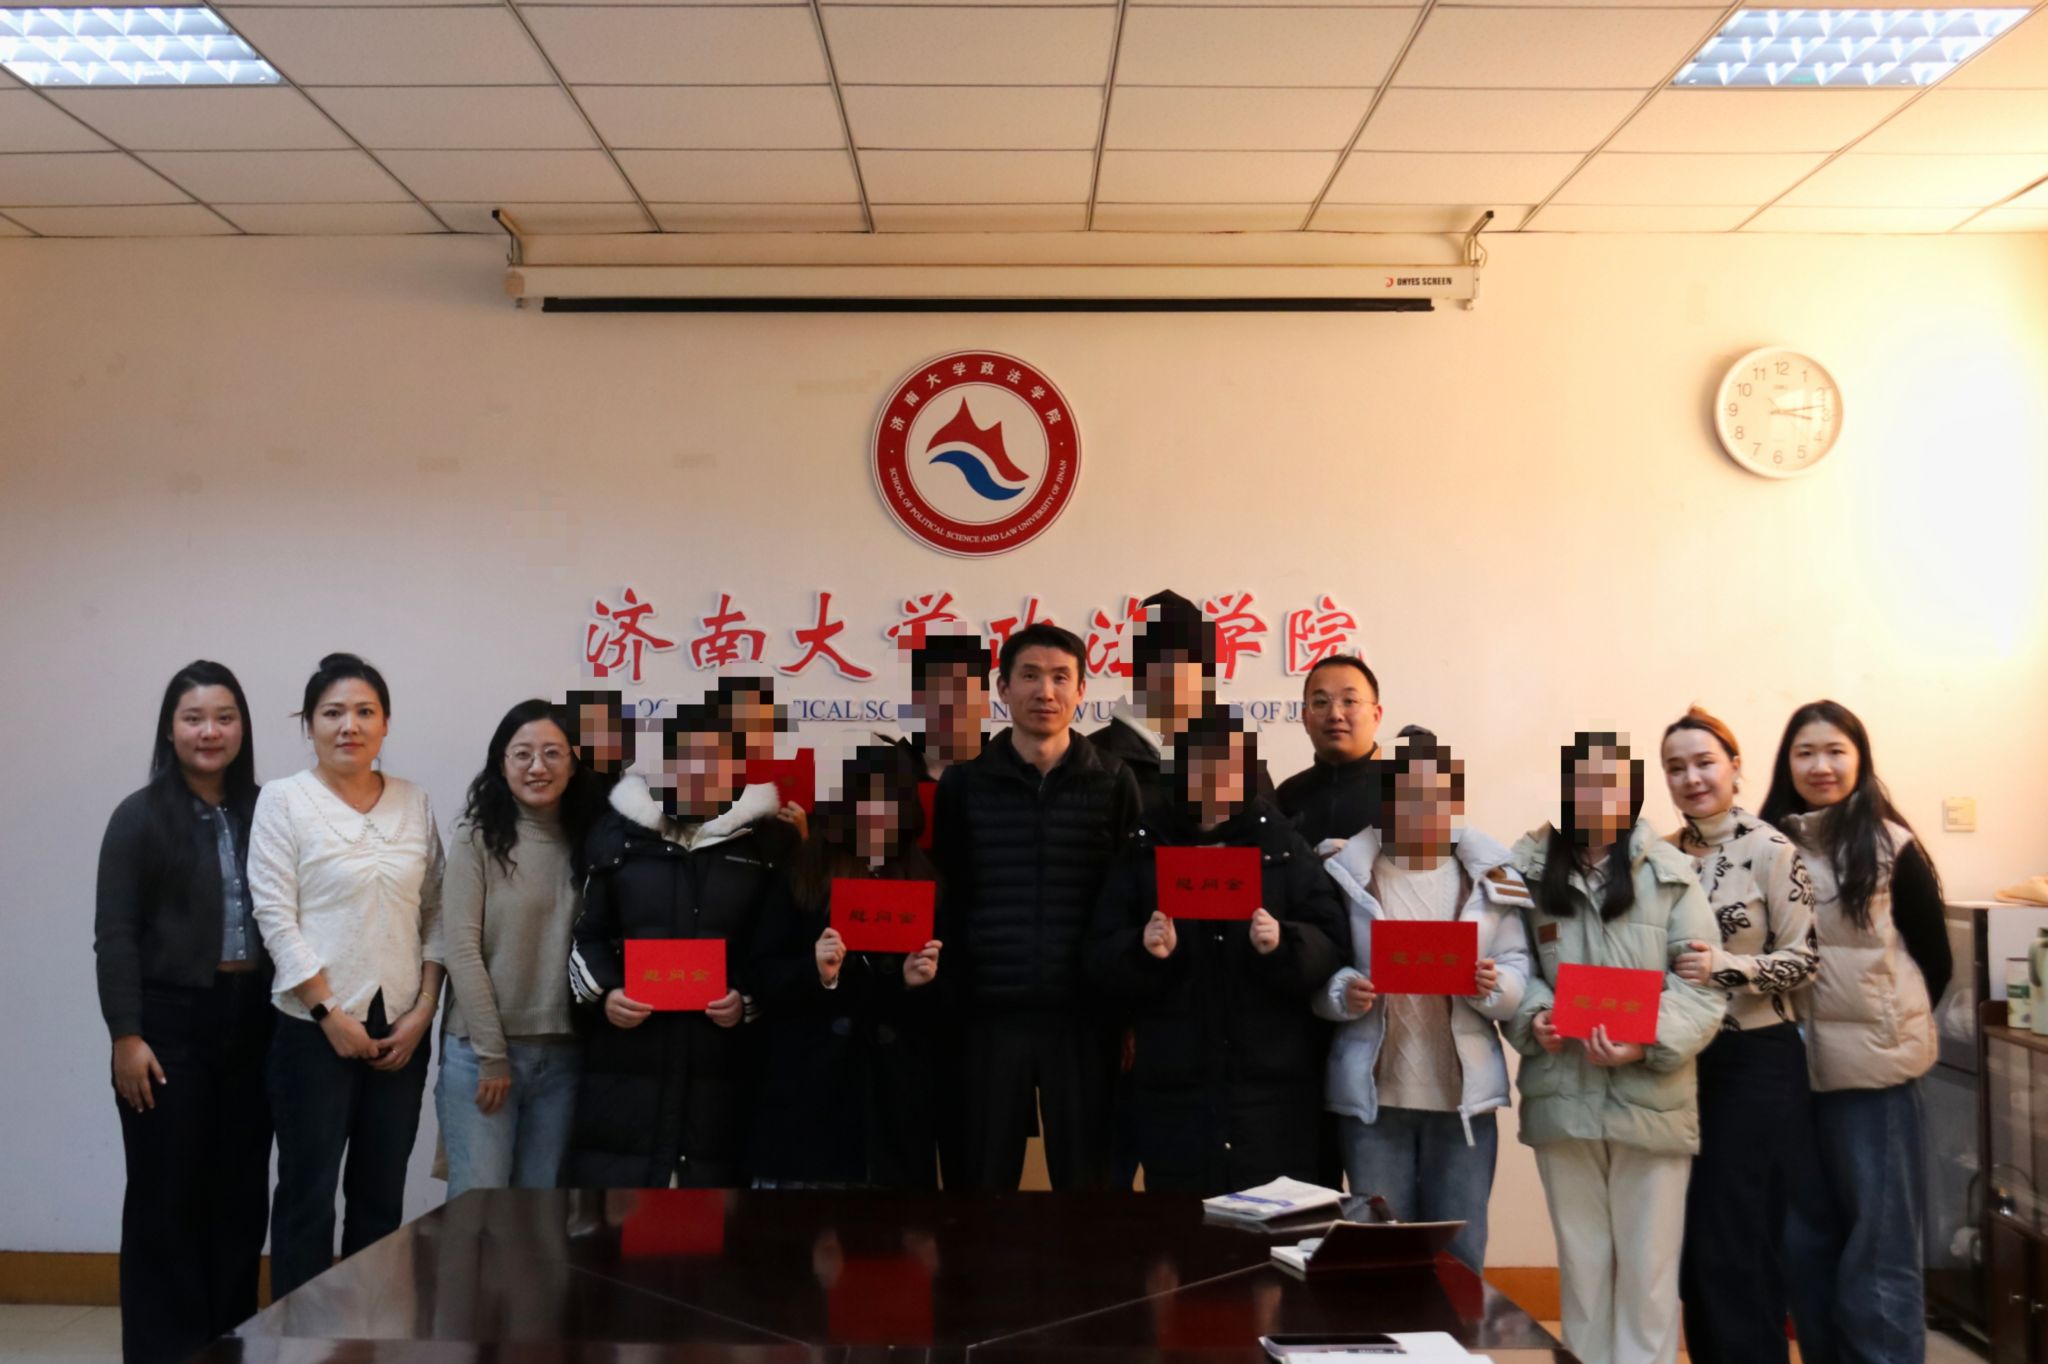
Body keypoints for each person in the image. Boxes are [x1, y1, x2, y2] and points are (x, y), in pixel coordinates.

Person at [1504, 733, 1724, 1364]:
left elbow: (1701, 988)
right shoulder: (1525, 871)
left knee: (1650, 1277)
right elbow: (1512, 965)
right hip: (1563, 1095)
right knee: (1583, 1269)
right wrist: (1536, 1018)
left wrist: (1642, 1042)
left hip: (1651, 1101)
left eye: (1611, 785)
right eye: (1582, 784)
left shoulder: (1670, 873)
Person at [1086, 707, 1347, 1194]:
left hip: (1271, 1087)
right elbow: (1101, 954)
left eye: (1227, 765)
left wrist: (1283, 943)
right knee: (1183, 1225)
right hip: (1175, 1084)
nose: (1213, 780)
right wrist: (1144, 950)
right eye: (1198, 765)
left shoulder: (1281, 845)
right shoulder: (1144, 847)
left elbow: (1331, 941)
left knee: (1271, 1223)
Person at [1760, 700, 1952, 1364]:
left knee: (1881, 1248)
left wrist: (1883, 1028)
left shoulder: (1892, 845)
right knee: (1804, 1246)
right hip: (1788, 1079)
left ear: (1860, 759)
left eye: (1836, 751)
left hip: (1875, 1081)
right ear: (1786, 764)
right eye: (1805, 752)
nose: (1821, 765)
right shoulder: (1762, 845)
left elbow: (1934, 959)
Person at [250, 652, 445, 1298]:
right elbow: (274, 915)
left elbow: (437, 910)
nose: (349, 725)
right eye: (332, 712)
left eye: (365, 711)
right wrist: (327, 1013)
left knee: (380, 1192)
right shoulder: (283, 800)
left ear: (385, 723)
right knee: (307, 1194)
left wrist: (424, 1011)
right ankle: (300, 1335)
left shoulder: (414, 801)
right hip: (313, 1029)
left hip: (402, 1028)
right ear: (308, 724)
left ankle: (370, 1332)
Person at [95, 661, 273, 1364]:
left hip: (254, 1023)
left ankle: (227, 1345)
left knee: (239, 1198)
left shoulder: (269, 809)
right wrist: (126, 1035)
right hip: (167, 1026)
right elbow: (115, 935)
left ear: (242, 728)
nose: (210, 731)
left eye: (224, 717)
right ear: (170, 730)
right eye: (194, 718)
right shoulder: (138, 817)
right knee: (165, 1199)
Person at [1312, 728, 1531, 1273]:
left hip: (1462, 1103)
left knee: (1459, 1261)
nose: (1421, 809)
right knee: (1379, 1260)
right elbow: (1316, 968)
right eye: (1406, 795)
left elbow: (1517, 969)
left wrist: (1493, 986)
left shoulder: (1489, 879)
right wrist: (1343, 992)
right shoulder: (1346, 874)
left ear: (1455, 799)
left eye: (1434, 795)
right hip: (1373, 1102)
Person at [932, 622, 1142, 1190]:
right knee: (979, 1189)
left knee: (1089, 1191)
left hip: (1085, 1017)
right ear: (1003, 688)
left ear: (1081, 691)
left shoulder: (1114, 781)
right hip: (987, 1017)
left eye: (1060, 678)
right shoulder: (964, 784)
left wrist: (1127, 1010)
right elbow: (946, 897)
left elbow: (1129, 900)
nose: (1045, 692)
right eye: (1029, 676)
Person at [565, 701, 794, 1187]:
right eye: (684, 759)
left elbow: (778, 951)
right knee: (618, 1220)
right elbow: (587, 934)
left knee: (713, 1219)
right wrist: (606, 994)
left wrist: (746, 1000)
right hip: (626, 1065)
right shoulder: (615, 832)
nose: (698, 772)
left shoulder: (768, 844)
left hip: (723, 1070)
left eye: (715, 760)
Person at [1658, 706, 1821, 1364]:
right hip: (1676, 1061)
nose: (1692, 778)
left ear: (1734, 766)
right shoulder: (1659, 855)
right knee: (1693, 1244)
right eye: (1676, 767)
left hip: (1754, 1062)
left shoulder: (1772, 850)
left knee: (1739, 1238)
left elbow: (1805, 959)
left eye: (1704, 763)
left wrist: (1727, 967)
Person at [748, 744, 945, 1188]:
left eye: (890, 800)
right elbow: (761, 973)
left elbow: (951, 1000)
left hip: (894, 1106)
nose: (876, 813)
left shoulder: (926, 880)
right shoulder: (801, 874)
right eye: (864, 799)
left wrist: (917, 984)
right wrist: (816, 974)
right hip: (809, 1098)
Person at [436, 699, 594, 1197]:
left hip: (565, 1057)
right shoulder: (476, 838)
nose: (537, 767)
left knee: (539, 1217)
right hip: (482, 1054)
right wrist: (492, 1055)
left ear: (574, 762)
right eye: (522, 754)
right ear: (501, 763)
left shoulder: (593, 842)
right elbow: (461, 950)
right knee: (478, 1211)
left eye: (552, 753)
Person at [1275, 654, 1385, 848]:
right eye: (1321, 702)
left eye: (1349, 701)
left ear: (1376, 716)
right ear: (1305, 718)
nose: (1335, 714)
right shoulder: (1285, 797)